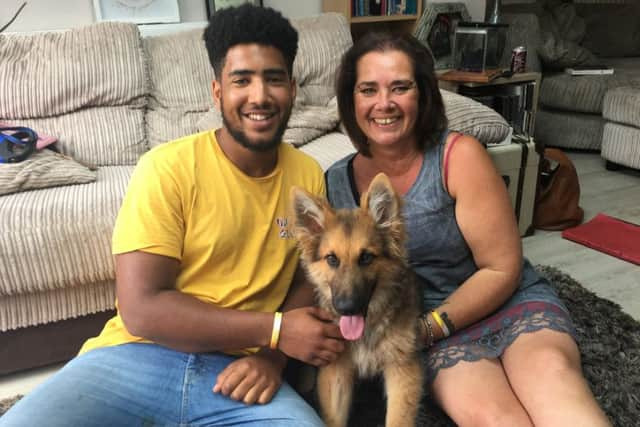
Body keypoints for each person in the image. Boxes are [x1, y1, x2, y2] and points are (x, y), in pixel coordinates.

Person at [0, 5, 344, 427]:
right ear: (218, 92)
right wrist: (274, 332)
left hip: (241, 373)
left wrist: (272, 359)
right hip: (137, 356)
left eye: (274, 79)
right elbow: (142, 308)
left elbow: (305, 277)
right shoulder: (167, 167)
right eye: (242, 80)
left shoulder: (307, 175)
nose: (259, 96)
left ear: (292, 89)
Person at [326, 31, 612, 427]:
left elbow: (501, 268)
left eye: (401, 87)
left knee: (555, 385)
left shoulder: (458, 156)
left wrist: (427, 328)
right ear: (350, 99)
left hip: (505, 304)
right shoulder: (334, 184)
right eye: (368, 89)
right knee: (494, 418)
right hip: (428, 327)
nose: (384, 103)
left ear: (423, 94)